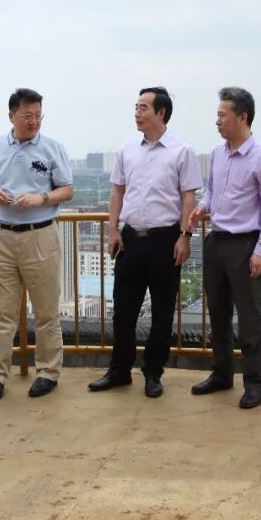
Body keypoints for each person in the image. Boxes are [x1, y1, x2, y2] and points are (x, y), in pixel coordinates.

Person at [88, 87, 200, 398]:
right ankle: (119, 370)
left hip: (165, 239)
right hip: (130, 239)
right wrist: (113, 230)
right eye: (136, 107)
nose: (137, 113)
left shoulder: (182, 151)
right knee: (123, 309)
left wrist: (184, 236)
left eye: (143, 108)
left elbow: (188, 196)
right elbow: (117, 191)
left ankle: (153, 373)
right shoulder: (127, 149)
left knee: (162, 311)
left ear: (161, 113)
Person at [0, 88, 73, 401]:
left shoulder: (52, 147)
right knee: (1, 312)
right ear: (11, 116)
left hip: (39, 234)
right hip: (2, 235)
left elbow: (67, 189)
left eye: (38, 116)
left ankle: (47, 372)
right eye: (27, 115)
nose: (33, 121)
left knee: (46, 310)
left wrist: (41, 198)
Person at [188, 87, 261, 409]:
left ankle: (256, 382)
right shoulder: (218, 153)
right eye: (217, 115)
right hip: (216, 241)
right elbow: (211, 192)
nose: (217, 121)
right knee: (218, 313)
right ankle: (222, 373)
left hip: (245, 244)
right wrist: (202, 207)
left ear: (242, 117)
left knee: (250, 318)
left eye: (222, 115)